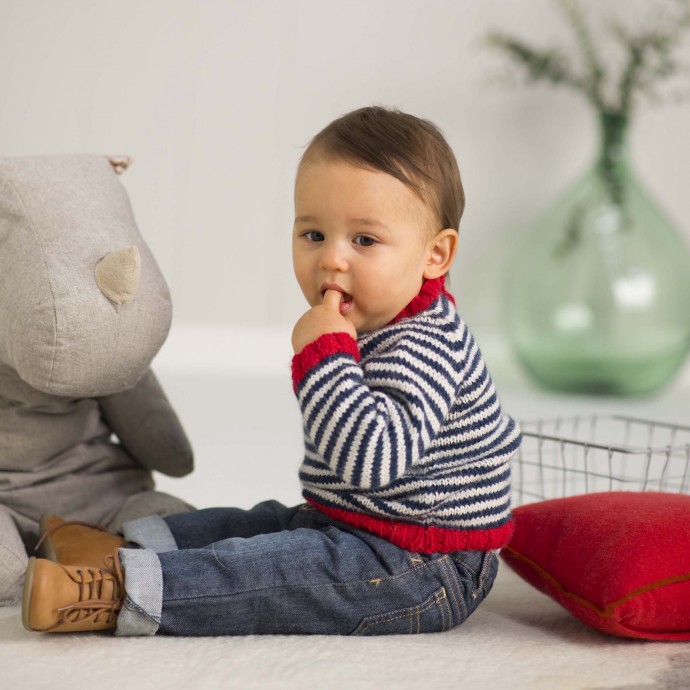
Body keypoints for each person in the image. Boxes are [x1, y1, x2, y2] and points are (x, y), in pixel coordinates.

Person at [22, 106, 522, 636]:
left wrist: (326, 357)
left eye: (365, 241)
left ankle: (116, 591)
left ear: (435, 255)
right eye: (313, 235)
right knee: (256, 524)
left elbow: (372, 462)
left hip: (423, 567)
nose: (331, 260)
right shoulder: (380, 319)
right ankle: (117, 544)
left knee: (272, 570)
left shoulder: (428, 345)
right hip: (358, 524)